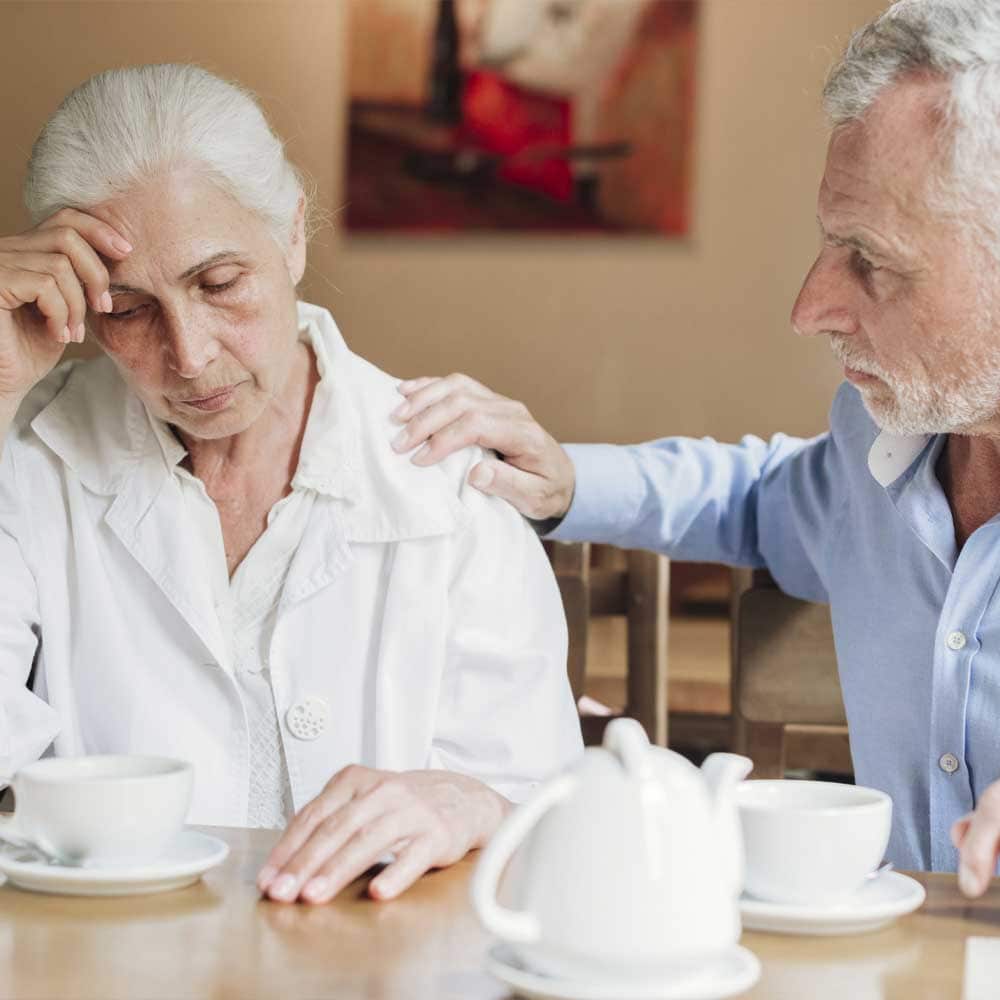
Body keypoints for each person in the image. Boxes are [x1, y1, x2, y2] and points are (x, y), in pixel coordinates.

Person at [394, 0, 1000, 896]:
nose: (810, 308)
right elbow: (759, 499)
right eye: (829, 245)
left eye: (869, 260)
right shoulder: (879, 443)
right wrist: (567, 480)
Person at [0, 64, 582, 904]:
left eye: (220, 285)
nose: (190, 355)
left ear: (295, 235)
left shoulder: (451, 479)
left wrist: (477, 802)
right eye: (127, 309)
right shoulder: (26, 453)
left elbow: (547, 822)